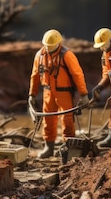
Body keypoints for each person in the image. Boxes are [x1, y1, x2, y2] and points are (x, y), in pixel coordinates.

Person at [28, 29, 89, 158]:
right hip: (48, 92)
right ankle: (48, 147)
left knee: (67, 120)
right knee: (48, 120)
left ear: (58, 43)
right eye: (47, 45)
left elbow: (77, 75)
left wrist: (83, 94)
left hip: (64, 93)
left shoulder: (66, 55)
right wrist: (32, 94)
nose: (49, 48)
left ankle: (68, 148)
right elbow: (35, 76)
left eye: (52, 45)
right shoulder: (39, 56)